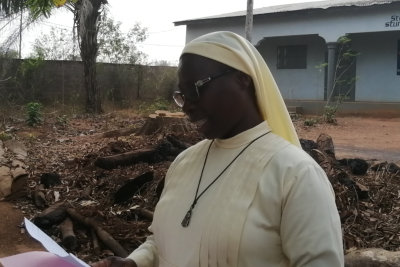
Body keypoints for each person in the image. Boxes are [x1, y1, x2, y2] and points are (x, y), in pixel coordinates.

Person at [92, 31, 344, 267]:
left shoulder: (295, 174)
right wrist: (135, 262)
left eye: (195, 90)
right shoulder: (184, 162)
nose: (187, 106)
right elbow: (163, 239)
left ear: (242, 80)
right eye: (182, 95)